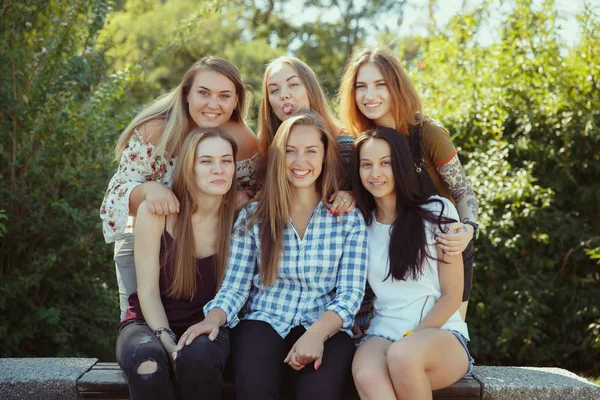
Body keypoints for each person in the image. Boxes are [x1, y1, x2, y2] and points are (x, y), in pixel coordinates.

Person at [194, 112, 368, 400]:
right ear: (278, 157)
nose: (301, 162)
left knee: (318, 394)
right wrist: (212, 318)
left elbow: (350, 295)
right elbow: (235, 286)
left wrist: (315, 334)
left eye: (311, 151)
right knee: (254, 389)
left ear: (325, 156)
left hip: (325, 324)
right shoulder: (254, 217)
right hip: (264, 321)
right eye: (291, 151)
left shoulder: (347, 220)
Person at [99, 56, 258, 319]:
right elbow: (114, 197)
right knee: (139, 322)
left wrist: (245, 196)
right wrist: (149, 189)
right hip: (144, 238)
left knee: (199, 328)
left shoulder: (244, 141)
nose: (213, 104)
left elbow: (258, 192)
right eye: (203, 93)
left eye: (224, 96)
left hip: (205, 245)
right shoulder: (156, 131)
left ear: (236, 101)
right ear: (186, 94)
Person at [339, 47, 479, 319]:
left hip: (443, 255)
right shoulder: (359, 141)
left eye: (380, 85)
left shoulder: (429, 133)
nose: (370, 95)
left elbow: (462, 191)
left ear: (397, 87)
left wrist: (469, 229)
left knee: (446, 336)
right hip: (391, 259)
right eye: (361, 86)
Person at [351, 127, 474, 400]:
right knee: (366, 373)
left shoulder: (437, 211)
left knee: (403, 356)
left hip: (440, 333)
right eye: (366, 165)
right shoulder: (361, 227)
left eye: (386, 163)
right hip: (381, 332)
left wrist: (412, 335)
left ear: (402, 166)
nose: (375, 174)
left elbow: (453, 295)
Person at [115, 128, 238, 400]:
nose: (218, 169)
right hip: (148, 321)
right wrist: (166, 339)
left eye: (226, 161)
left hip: (208, 324)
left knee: (197, 362)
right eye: (206, 161)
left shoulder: (240, 217)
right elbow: (147, 292)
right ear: (188, 167)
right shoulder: (156, 212)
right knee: (149, 366)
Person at [257, 56, 355, 214]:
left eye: (293, 84)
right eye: (274, 90)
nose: (284, 95)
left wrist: (353, 196)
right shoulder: (265, 150)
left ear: (310, 88)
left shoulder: (347, 145)